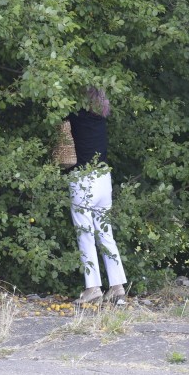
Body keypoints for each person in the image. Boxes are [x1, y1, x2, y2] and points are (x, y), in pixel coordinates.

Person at [66, 87, 127, 305]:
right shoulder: (101, 120)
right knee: (105, 234)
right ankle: (117, 286)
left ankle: (93, 288)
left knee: (85, 234)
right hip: (103, 178)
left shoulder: (75, 116)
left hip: (83, 179)